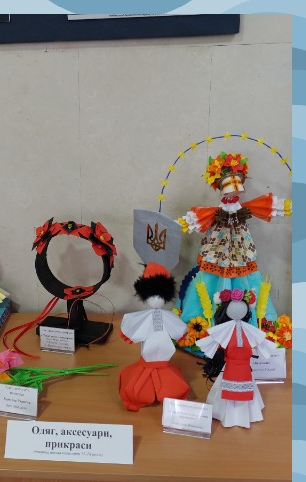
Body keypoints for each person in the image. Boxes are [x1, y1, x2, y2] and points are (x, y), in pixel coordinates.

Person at [177, 151, 290, 326]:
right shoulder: (217, 212)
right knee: (211, 273)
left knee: (244, 272)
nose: (232, 192)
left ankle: (248, 317)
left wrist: (285, 207)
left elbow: (265, 207)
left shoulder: (242, 209)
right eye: (229, 187)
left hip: (240, 246)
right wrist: (179, 224)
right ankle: (207, 317)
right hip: (217, 246)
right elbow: (197, 218)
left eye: (236, 186)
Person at [196, 289, 278, 427]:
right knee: (227, 388)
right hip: (230, 366)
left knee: (244, 387)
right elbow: (216, 340)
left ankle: (244, 414)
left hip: (244, 367)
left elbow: (259, 340)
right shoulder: (225, 329)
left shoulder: (248, 329)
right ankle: (229, 413)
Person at [118, 263, 190, 410]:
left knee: (173, 390)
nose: (156, 299)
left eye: (160, 295)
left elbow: (179, 330)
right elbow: (132, 330)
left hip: (165, 362)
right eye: (152, 295)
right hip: (147, 361)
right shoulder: (141, 318)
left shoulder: (169, 317)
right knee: (136, 393)